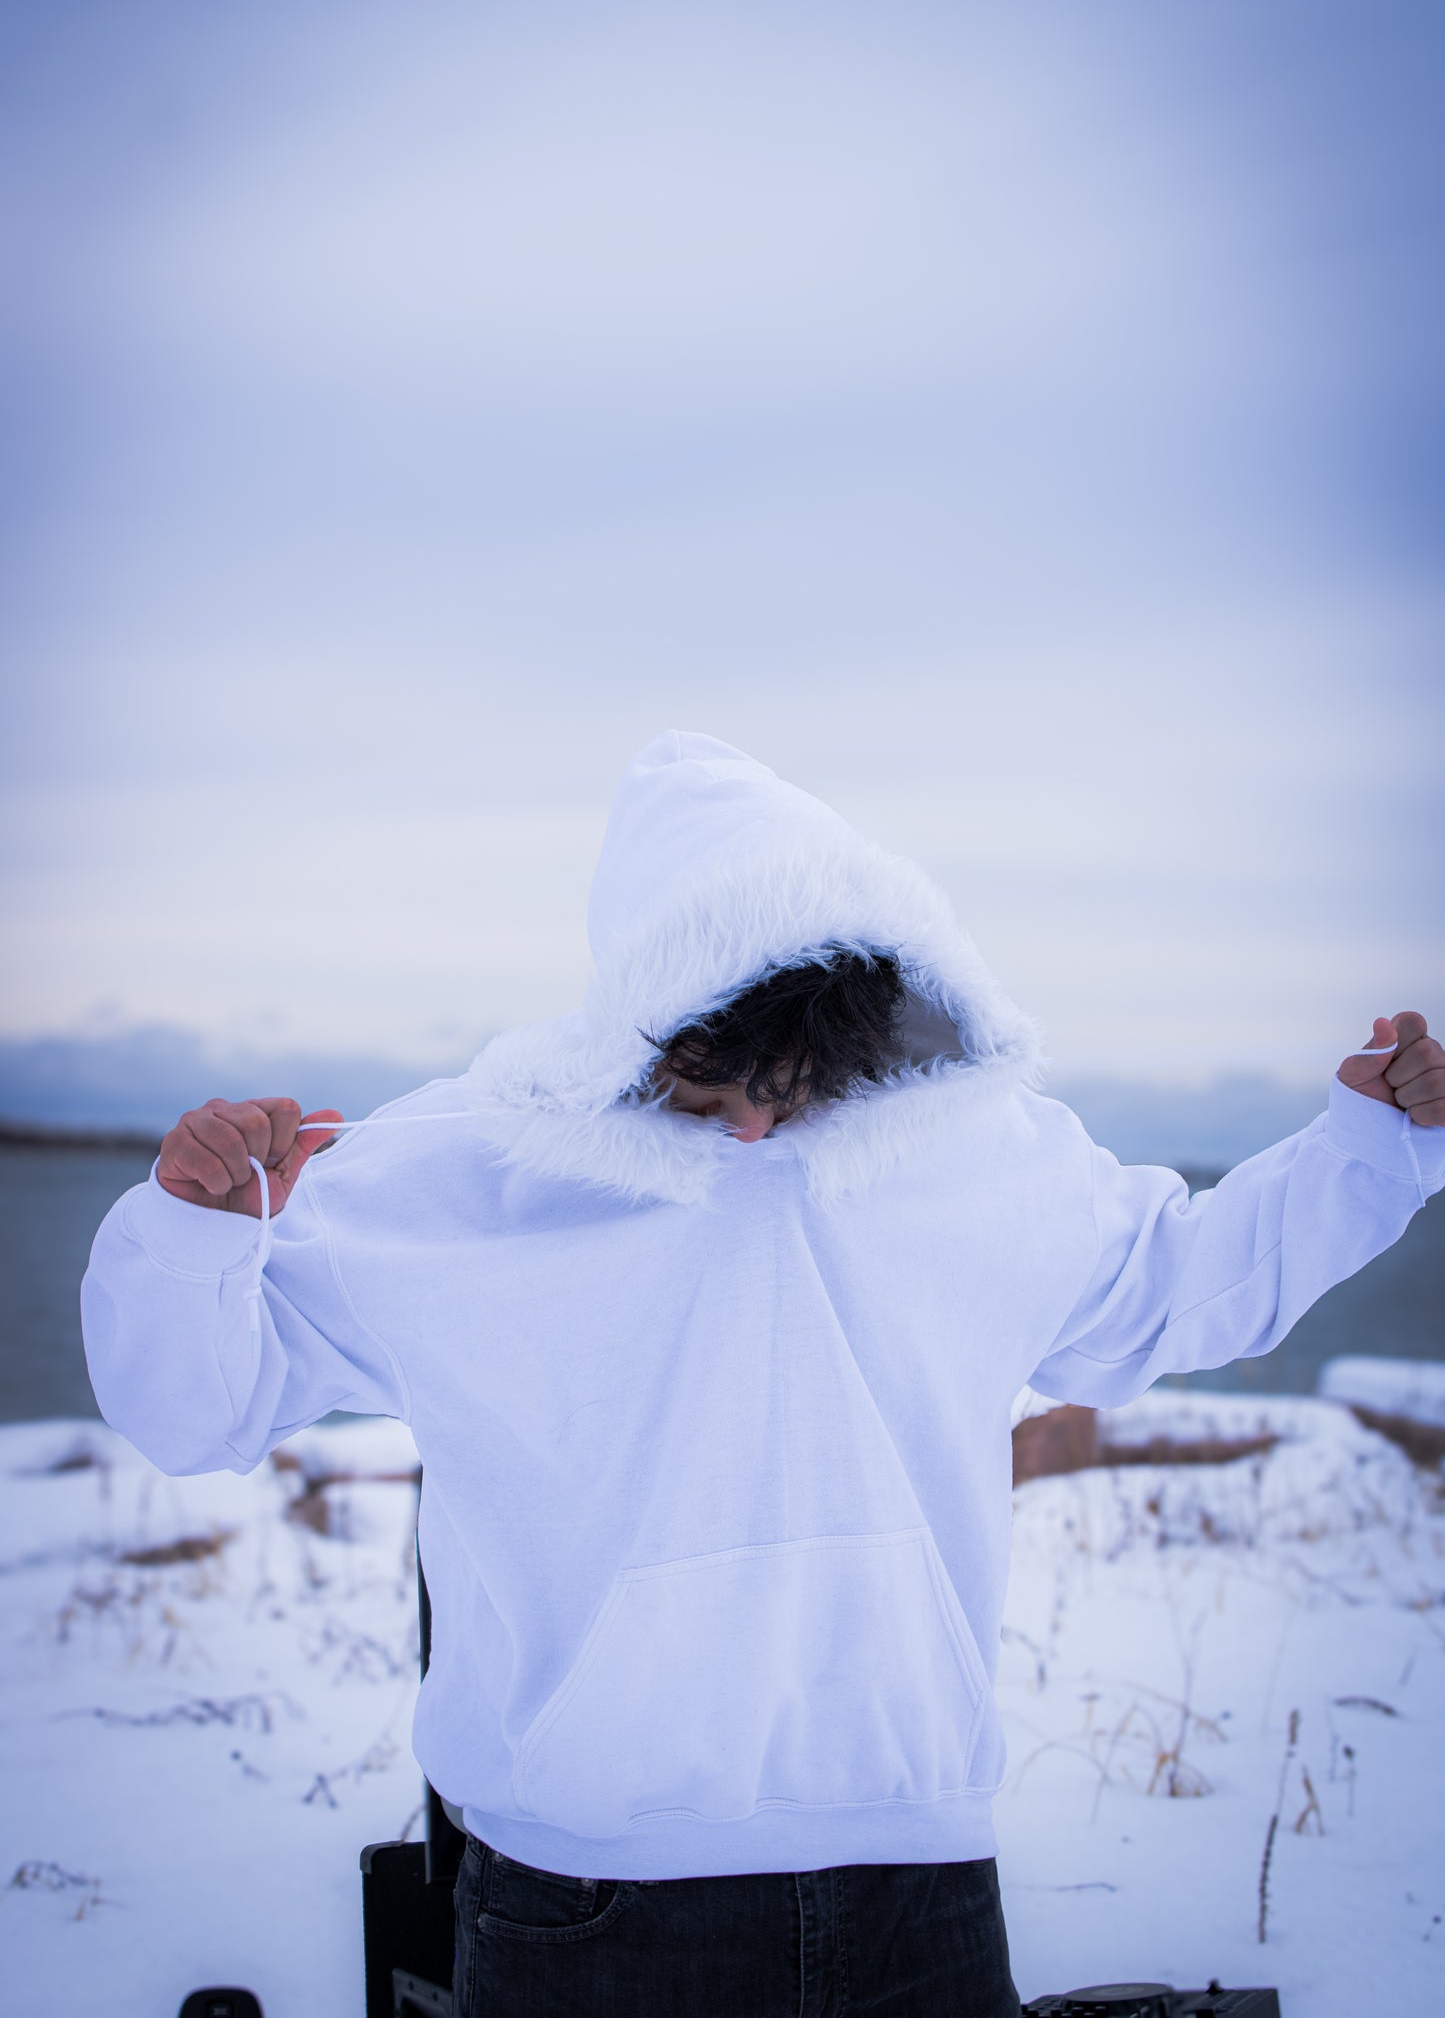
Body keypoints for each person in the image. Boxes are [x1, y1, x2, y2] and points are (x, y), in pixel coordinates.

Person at [81, 730, 1445, 2018]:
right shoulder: (466, 1177)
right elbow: (199, 1409)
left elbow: (1180, 1283)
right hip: (590, 1907)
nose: (749, 1132)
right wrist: (197, 1235)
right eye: (709, 1085)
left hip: (920, 1890)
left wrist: (1368, 1148)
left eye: (789, 1086)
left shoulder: (977, 1162)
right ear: (641, 1024)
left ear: (866, 1028)